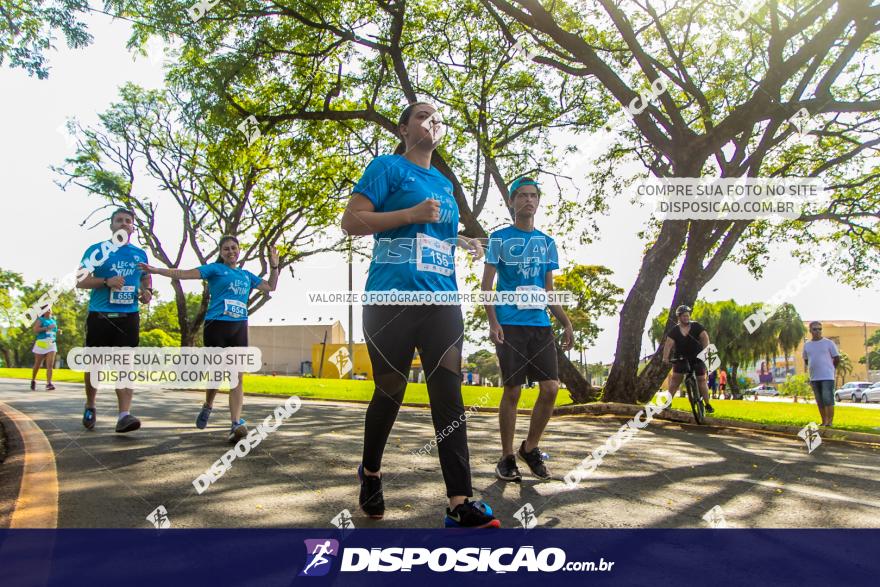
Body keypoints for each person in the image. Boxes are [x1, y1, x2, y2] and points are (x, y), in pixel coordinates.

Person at [341, 101, 499, 528]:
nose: (433, 122)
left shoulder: (445, 185)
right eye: (423, 116)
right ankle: (370, 472)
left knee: (448, 394)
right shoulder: (386, 168)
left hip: (442, 301)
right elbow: (351, 221)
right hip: (390, 299)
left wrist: (462, 240)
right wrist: (409, 214)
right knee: (390, 391)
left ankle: (458, 502)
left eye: (438, 118)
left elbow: (434, 237)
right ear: (404, 128)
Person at [139, 238, 279, 443]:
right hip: (216, 326)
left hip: (239, 328)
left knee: (236, 377)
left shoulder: (246, 275)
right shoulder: (214, 269)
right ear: (221, 252)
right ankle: (208, 405)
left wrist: (274, 266)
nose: (230, 251)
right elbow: (183, 274)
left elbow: (271, 286)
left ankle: (235, 424)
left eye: (234, 248)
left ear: (239, 250)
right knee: (216, 374)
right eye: (226, 249)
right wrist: (156, 270)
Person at [482, 176, 573, 482]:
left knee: (551, 388)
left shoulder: (547, 243)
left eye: (533, 195)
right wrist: (493, 323)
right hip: (509, 324)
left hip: (539, 324)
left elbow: (548, 291)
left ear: (538, 201)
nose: (528, 200)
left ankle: (530, 447)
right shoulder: (499, 239)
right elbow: (486, 287)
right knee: (513, 389)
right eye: (522, 196)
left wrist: (566, 322)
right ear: (511, 201)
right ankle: (507, 456)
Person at [76, 208, 151, 433]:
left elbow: (145, 280)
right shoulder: (97, 251)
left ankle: (124, 416)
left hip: (128, 316)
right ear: (111, 226)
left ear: (133, 227)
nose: (124, 223)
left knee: (125, 365)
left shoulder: (140, 254)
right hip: (101, 315)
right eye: (119, 220)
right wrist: (106, 280)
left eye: (128, 221)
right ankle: (90, 404)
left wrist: (146, 293)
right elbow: (80, 281)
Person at [661, 305, 714, 413]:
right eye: (684, 316)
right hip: (681, 357)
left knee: (702, 379)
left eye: (687, 315)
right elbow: (668, 344)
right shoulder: (674, 330)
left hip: (697, 356)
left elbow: (705, 338)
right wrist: (665, 357)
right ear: (679, 317)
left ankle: (707, 404)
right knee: (676, 379)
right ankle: (668, 402)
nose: (686, 317)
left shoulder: (696, 326)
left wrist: (705, 350)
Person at [803, 321, 840, 427]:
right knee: (820, 400)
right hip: (814, 377)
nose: (818, 331)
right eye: (815, 329)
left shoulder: (828, 343)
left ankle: (830, 422)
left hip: (827, 376)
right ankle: (824, 421)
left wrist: (831, 369)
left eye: (820, 329)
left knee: (828, 399)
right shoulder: (807, 345)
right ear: (810, 330)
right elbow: (806, 360)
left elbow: (836, 358)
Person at [30, 309, 59, 391]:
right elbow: (35, 330)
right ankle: (33, 380)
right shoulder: (40, 320)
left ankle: (49, 383)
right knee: (38, 364)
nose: (49, 310)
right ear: (43, 311)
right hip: (41, 343)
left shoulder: (53, 320)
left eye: (50, 308)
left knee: (50, 365)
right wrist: (47, 328)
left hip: (51, 344)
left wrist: (58, 331)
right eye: (47, 309)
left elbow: (54, 330)